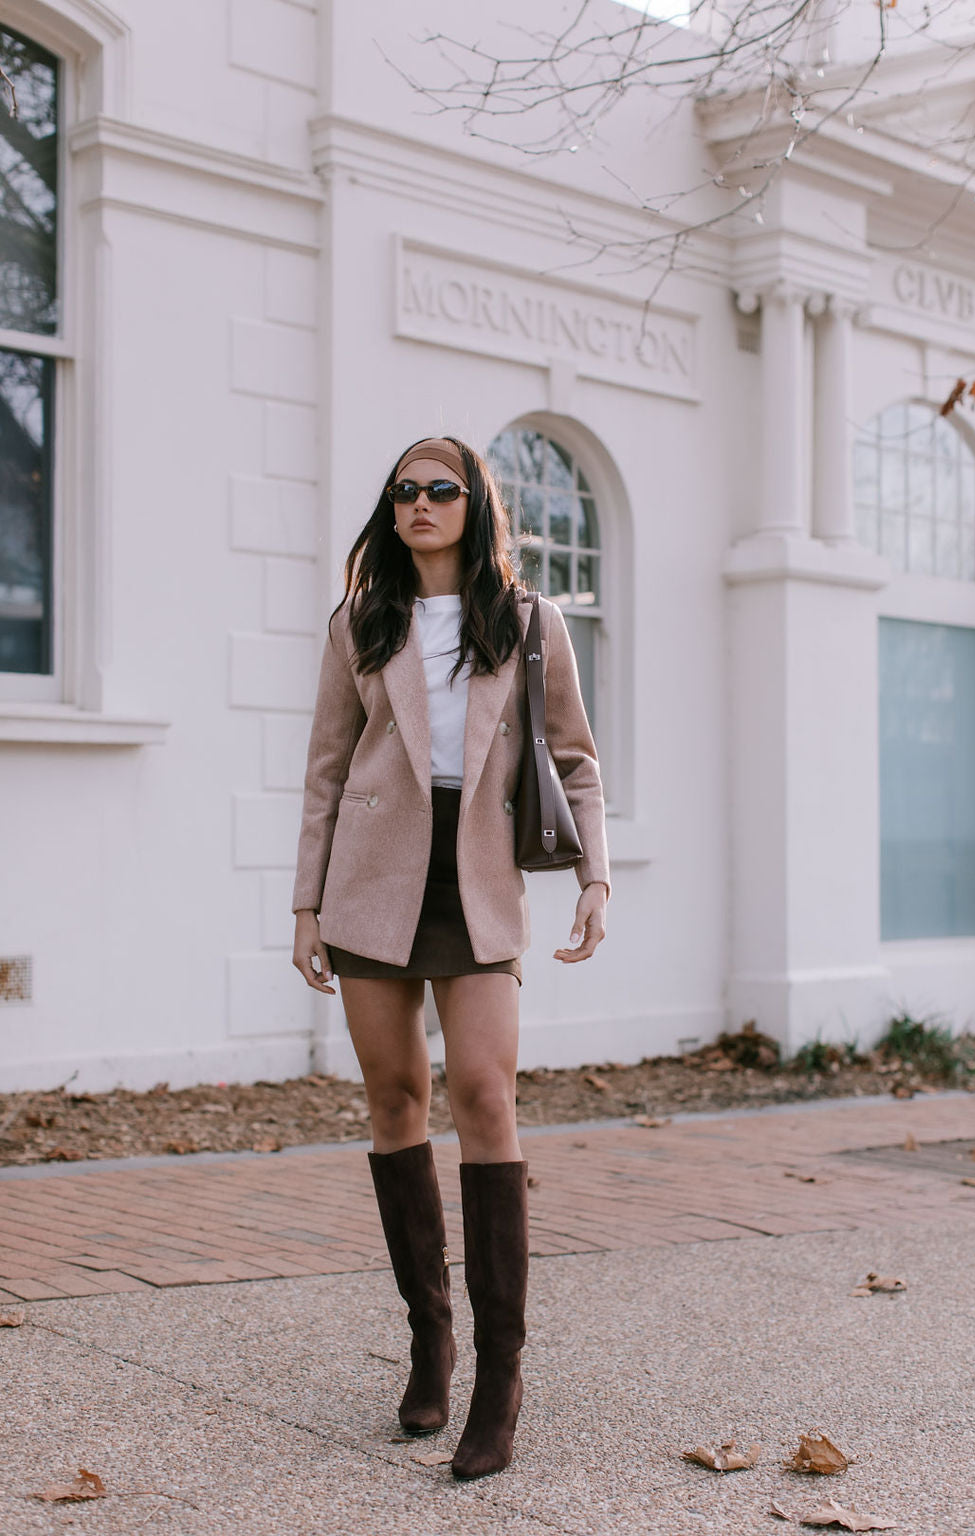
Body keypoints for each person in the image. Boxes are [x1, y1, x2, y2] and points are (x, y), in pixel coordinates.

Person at [291, 435, 610, 1479]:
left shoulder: (527, 622)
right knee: (395, 1099)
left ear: (475, 505)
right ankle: (431, 1336)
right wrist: (306, 904)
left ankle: (498, 1381)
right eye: (402, 491)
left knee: (483, 1093)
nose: (419, 503)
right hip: (371, 886)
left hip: (476, 882)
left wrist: (595, 878)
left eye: (439, 489)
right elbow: (326, 772)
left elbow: (574, 758)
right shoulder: (358, 621)